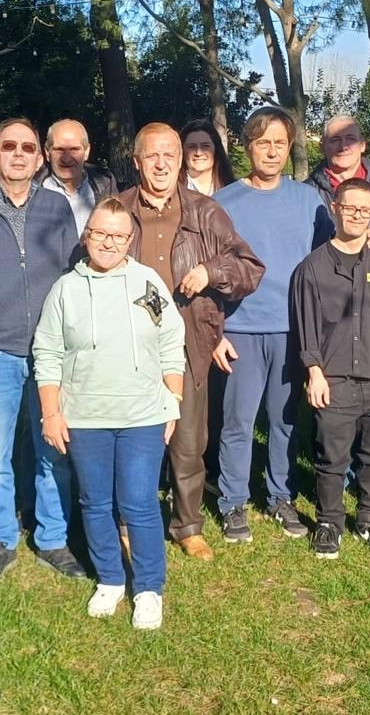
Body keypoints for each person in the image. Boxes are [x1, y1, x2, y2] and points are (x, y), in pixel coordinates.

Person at [0, 117, 86, 584]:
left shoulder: (56, 207)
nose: (19, 154)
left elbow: (75, 276)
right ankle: (1, 540)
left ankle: (53, 540)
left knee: (53, 452)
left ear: (40, 158)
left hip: (50, 354)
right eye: (10, 146)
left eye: (28, 147)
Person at [114, 123, 264, 560]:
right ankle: (129, 520)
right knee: (132, 440)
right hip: (129, 344)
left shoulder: (205, 212)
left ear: (180, 160)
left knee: (188, 442)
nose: (161, 164)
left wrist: (211, 272)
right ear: (137, 161)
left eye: (170, 155)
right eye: (152, 156)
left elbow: (250, 267)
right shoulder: (118, 209)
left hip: (187, 343)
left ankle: (188, 525)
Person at [35, 198, 186, 629]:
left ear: (130, 240)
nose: (108, 243)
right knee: (95, 502)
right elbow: (47, 352)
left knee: (139, 502)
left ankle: (149, 588)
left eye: (118, 236)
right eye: (101, 233)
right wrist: (51, 413)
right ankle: (110, 579)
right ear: (87, 236)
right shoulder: (66, 289)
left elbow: (171, 339)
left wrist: (173, 400)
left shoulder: (147, 283)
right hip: (85, 416)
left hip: (142, 415)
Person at [213, 108, 335, 542]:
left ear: (290, 148)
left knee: (284, 421)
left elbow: (332, 256)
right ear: (248, 147)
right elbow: (208, 270)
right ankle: (232, 502)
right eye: (263, 142)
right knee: (238, 421)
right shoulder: (223, 203)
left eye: (279, 143)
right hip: (240, 328)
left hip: (293, 329)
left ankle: (281, 496)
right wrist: (216, 333)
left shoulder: (309, 200)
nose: (271, 151)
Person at [292, 178, 370, 559]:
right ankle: (329, 523)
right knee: (332, 459)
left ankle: (369, 520)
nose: (357, 216)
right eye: (350, 208)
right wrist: (315, 373)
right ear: (335, 208)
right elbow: (306, 329)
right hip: (335, 380)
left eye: (364, 210)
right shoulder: (312, 268)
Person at [304, 114, 370, 226]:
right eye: (335, 140)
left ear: (362, 145)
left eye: (351, 139)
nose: (343, 147)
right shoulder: (305, 195)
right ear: (322, 147)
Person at [36, 118, 119, 233]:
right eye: (59, 149)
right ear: (47, 152)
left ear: (87, 151)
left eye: (74, 149)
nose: (66, 158)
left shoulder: (105, 186)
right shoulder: (32, 190)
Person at [179, 118, 236, 196]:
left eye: (205, 146)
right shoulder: (173, 190)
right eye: (191, 147)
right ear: (182, 151)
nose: (198, 153)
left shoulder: (233, 189)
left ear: (216, 150)